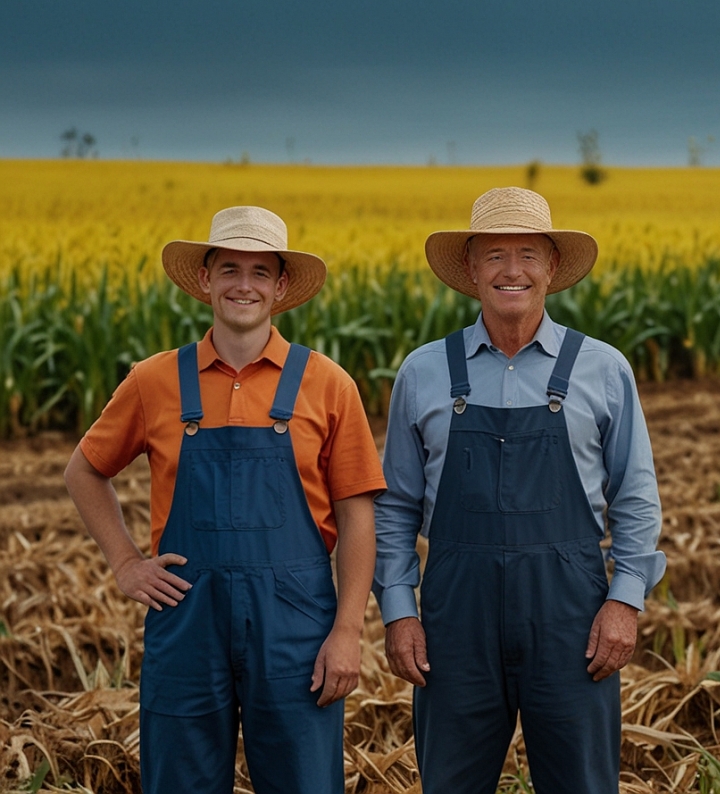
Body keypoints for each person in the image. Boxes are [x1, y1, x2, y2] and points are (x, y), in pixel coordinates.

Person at [64, 206, 385, 794]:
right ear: (206, 279)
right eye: (230, 268)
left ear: (281, 286)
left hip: (297, 624)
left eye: (261, 272)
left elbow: (357, 516)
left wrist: (348, 631)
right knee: (179, 781)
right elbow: (84, 470)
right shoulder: (154, 380)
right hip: (186, 616)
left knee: (305, 782)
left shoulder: (329, 383)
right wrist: (126, 563)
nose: (244, 285)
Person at [373, 187, 666, 794]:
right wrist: (400, 610)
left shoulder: (603, 369)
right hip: (456, 618)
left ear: (552, 269)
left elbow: (635, 496)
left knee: (582, 784)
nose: (513, 271)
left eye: (529, 255)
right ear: (472, 269)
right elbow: (395, 506)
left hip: (572, 617)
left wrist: (625, 601)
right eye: (496, 255)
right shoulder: (423, 371)